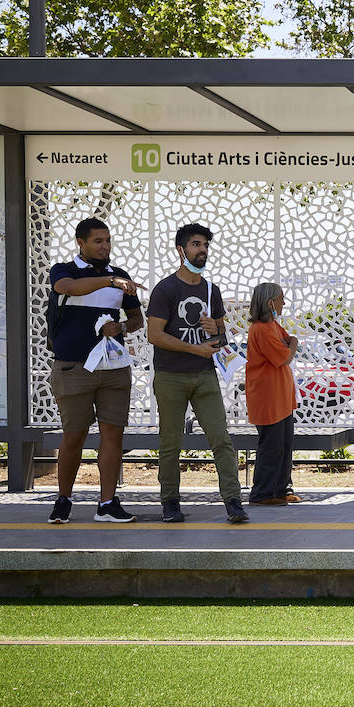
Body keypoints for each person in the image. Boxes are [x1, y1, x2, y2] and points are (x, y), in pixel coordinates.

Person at [146, 223, 248, 524]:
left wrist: (215, 330)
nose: (202, 250)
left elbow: (222, 339)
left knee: (221, 439)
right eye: (195, 244)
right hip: (170, 376)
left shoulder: (210, 290)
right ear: (181, 250)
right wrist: (195, 349)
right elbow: (154, 335)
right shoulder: (165, 289)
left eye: (205, 245)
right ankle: (170, 503)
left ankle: (233, 502)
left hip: (204, 376)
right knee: (170, 443)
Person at [45, 217, 144, 524]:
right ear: (81, 242)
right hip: (73, 367)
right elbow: (68, 288)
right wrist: (111, 282)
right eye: (98, 241)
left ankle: (107, 503)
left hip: (112, 368)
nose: (105, 247)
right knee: (74, 435)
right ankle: (64, 499)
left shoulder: (121, 277)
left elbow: (137, 319)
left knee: (113, 433)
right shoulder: (64, 270)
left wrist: (122, 326)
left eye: (108, 241)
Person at [245, 282, 300, 506]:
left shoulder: (273, 326)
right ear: (270, 302)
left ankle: (280, 489)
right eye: (281, 298)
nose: (284, 303)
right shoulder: (261, 329)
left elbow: (287, 343)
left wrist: (291, 343)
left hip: (281, 396)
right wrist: (294, 344)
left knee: (284, 445)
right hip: (268, 397)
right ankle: (263, 493)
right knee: (271, 447)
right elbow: (285, 356)